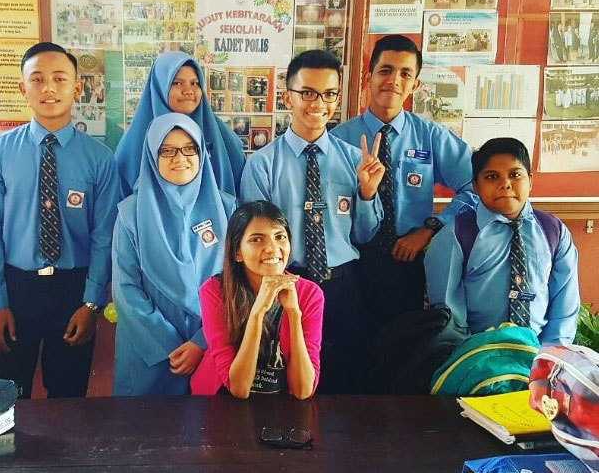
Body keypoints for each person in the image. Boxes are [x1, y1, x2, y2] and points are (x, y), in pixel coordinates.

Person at [0, 42, 120, 398]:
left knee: (68, 397)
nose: (49, 88)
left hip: (73, 290)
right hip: (15, 288)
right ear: (23, 88)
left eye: (59, 78)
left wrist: (91, 303)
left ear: (77, 88)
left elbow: (104, 236)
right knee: (5, 397)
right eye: (37, 79)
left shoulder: (100, 159)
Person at [240, 50, 385, 394]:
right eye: (307, 93)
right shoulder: (263, 165)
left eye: (329, 94)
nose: (318, 103)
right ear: (287, 95)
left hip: (344, 286)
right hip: (288, 287)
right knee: (289, 385)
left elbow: (365, 235)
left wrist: (367, 192)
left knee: (345, 381)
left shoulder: (355, 160)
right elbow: (253, 241)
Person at [331, 35, 476, 332]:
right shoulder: (338, 140)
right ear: (368, 77)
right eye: (385, 71)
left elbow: (476, 185)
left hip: (406, 259)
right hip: (350, 263)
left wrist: (429, 229)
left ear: (415, 85)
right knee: (349, 351)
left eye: (405, 74)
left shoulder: (430, 137)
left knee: (401, 353)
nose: (393, 81)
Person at [112, 112, 236, 395]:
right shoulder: (130, 214)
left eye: (189, 148)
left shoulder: (228, 210)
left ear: (201, 153)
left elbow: (235, 282)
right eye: (166, 150)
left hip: (212, 344)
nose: (180, 157)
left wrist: (202, 342)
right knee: (145, 432)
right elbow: (126, 290)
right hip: (150, 350)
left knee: (209, 430)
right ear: (152, 157)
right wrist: (171, 346)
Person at [425, 138, 579, 345]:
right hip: (475, 358)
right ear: (475, 186)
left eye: (515, 175)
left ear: (530, 181)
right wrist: (471, 358)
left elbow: (564, 308)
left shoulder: (554, 233)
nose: (505, 184)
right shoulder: (454, 237)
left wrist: (548, 359)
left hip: (538, 357)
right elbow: (449, 315)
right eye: (491, 177)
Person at [191, 201, 324, 399]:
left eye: (280, 237)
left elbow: (303, 390)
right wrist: (258, 312)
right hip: (220, 400)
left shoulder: (310, 293)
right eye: (257, 240)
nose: (272, 248)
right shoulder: (214, 291)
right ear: (237, 252)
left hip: (281, 404)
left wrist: (294, 314)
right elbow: (238, 388)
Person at [114, 51, 245, 198]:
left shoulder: (222, 136)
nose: (189, 91)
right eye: (177, 83)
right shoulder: (132, 145)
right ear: (159, 87)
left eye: (195, 83)